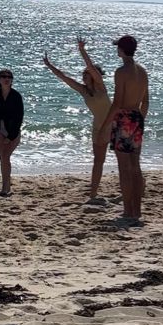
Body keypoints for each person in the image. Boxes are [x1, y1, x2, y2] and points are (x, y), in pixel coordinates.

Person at [43, 38, 111, 202]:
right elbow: (64, 77)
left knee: (124, 159)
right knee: (98, 161)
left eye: (87, 74)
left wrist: (82, 50)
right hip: (98, 127)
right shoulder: (83, 91)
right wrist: (49, 65)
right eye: (83, 75)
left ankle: (134, 186)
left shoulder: (101, 86)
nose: (84, 76)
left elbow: (90, 66)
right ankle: (93, 195)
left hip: (113, 125)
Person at [102, 35, 148, 224]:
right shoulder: (142, 71)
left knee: (124, 168)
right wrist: (139, 122)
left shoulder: (121, 71)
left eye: (118, 48)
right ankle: (136, 210)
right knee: (135, 167)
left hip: (124, 118)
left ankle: (128, 210)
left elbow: (118, 102)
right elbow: (146, 102)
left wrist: (106, 124)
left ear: (121, 50)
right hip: (137, 117)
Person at [0, 70, 24, 197]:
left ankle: (6, 188)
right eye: (3, 77)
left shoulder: (16, 96)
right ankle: (5, 187)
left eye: (9, 77)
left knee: (6, 157)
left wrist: (11, 136)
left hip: (13, 130)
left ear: (12, 80)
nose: (6, 79)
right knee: (3, 159)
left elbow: (19, 117)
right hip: (0, 130)